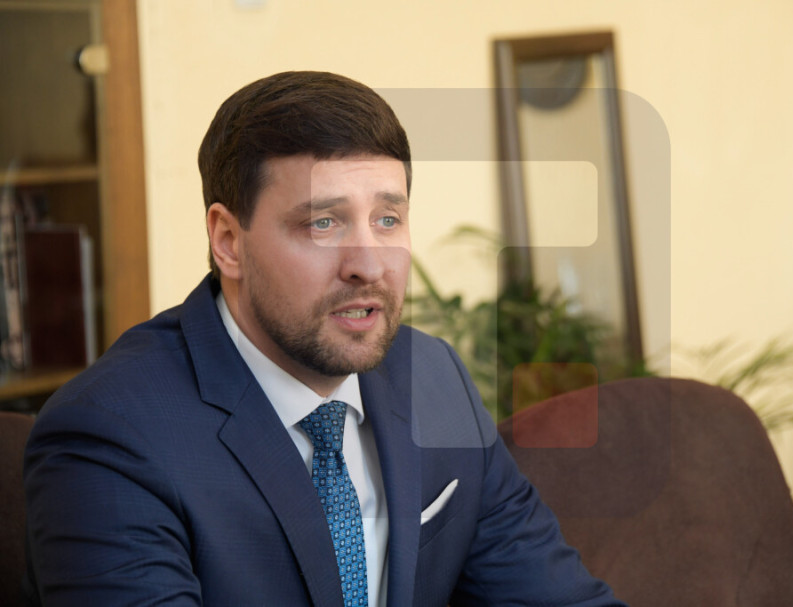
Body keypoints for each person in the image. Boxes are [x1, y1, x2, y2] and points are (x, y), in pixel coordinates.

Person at [23, 71, 625, 606]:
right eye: (323, 222)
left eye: (387, 219)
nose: (369, 264)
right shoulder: (111, 436)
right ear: (228, 241)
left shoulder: (434, 377)